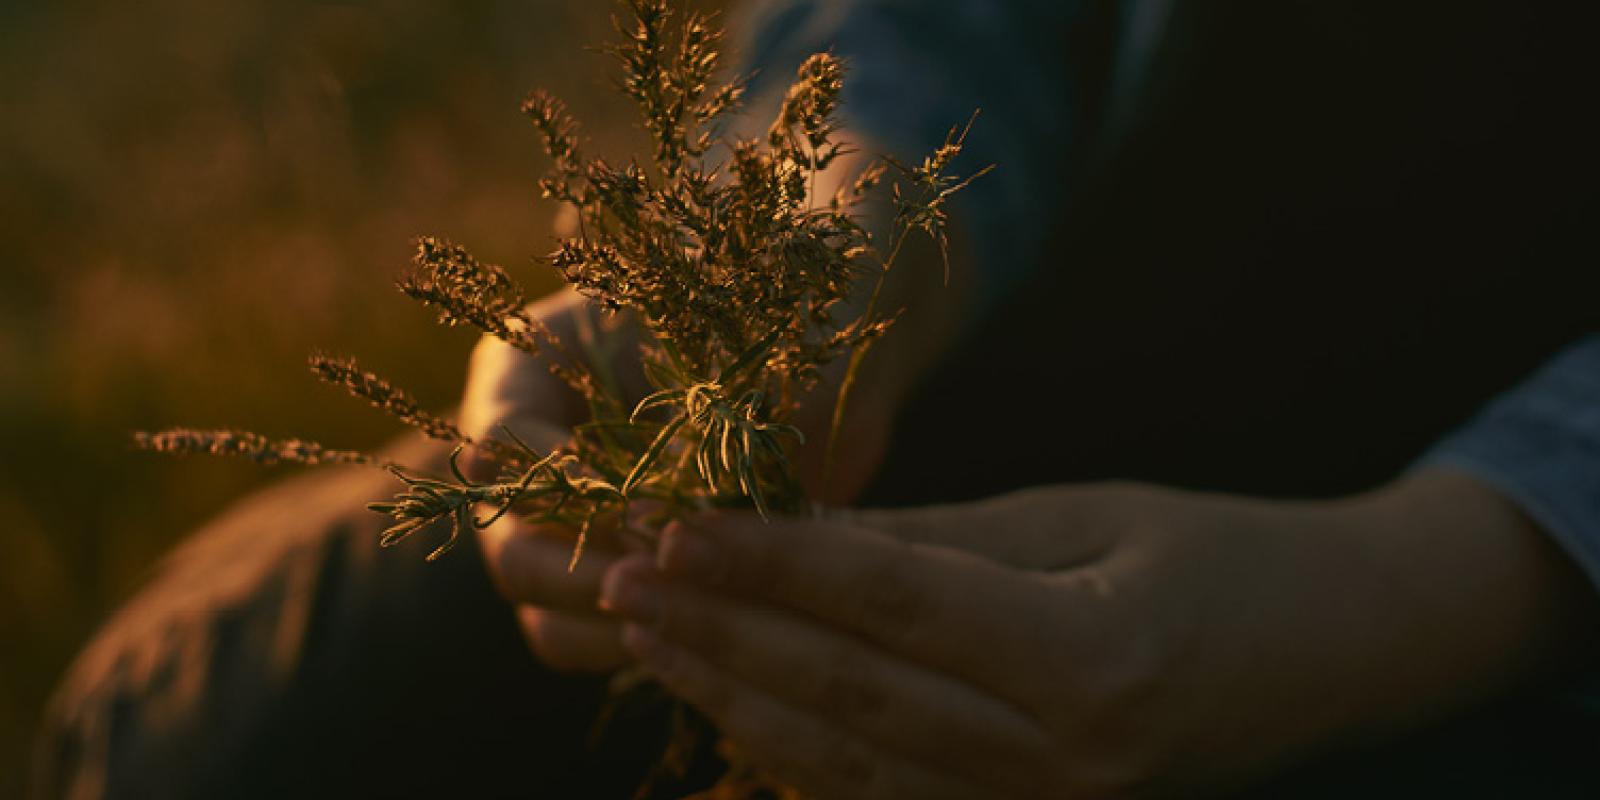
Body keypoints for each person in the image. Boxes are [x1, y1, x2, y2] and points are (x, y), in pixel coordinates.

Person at [34, 1, 1600, 797]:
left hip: (1520, 613)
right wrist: (828, 229)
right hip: (1012, 371)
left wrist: (1444, 580)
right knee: (222, 736)